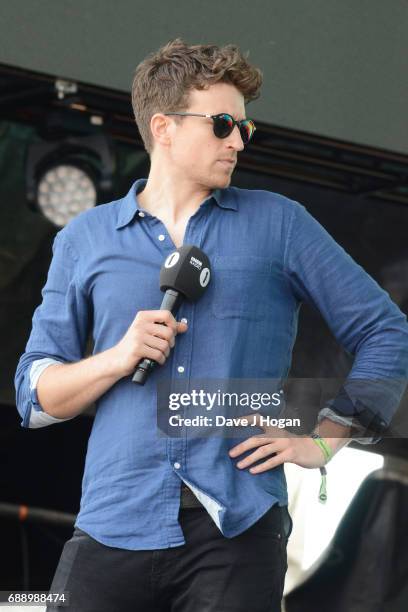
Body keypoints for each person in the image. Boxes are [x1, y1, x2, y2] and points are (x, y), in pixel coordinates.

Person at [14, 38, 408, 611]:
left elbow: (385, 330)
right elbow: (33, 394)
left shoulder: (279, 224)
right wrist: (117, 357)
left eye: (245, 129)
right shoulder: (84, 239)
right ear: (164, 127)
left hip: (237, 528)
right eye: (222, 124)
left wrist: (327, 440)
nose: (237, 142)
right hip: (113, 521)